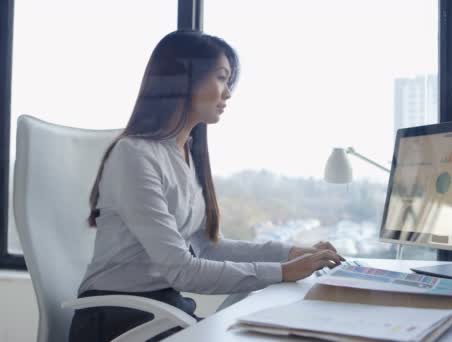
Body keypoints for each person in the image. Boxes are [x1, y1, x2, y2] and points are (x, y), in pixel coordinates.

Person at [69, 30, 343, 342]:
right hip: (117, 321)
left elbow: (209, 246)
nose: (227, 93)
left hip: (163, 310)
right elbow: (183, 270)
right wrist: (284, 271)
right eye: (222, 78)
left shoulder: (184, 152)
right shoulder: (134, 155)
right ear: (183, 80)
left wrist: (293, 253)